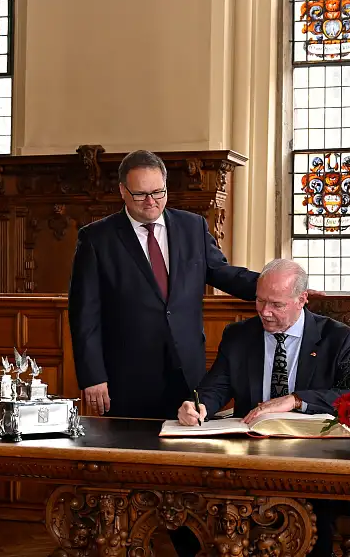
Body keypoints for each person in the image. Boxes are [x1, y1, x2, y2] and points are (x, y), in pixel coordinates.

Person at [177, 258, 350, 557]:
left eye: (276, 304)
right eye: (260, 301)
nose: (265, 311)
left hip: (311, 454)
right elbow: (217, 386)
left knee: (314, 522)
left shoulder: (338, 338)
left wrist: (297, 399)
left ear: (302, 299)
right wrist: (198, 406)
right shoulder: (239, 335)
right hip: (249, 451)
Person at [68, 150, 260, 420]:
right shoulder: (97, 239)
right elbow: (84, 314)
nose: (151, 202)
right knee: (131, 452)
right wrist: (92, 376)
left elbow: (222, 272)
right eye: (140, 194)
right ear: (123, 190)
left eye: (158, 192)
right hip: (127, 376)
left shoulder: (192, 226)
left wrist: (276, 289)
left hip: (187, 370)